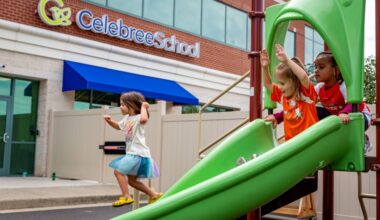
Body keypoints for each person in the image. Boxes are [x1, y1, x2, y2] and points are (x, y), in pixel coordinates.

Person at [267, 51, 372, 152]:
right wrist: (278, 117)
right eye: (315, 67)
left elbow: (356, 103)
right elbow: (302, 106)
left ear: (336, 69)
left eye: (321, 67)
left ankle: (363, 139)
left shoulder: (342, 86)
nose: (316, 70)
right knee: (314, 110)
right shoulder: (319, 88)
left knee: (350, 119)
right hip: (338, 116)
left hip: (360, 115)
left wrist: (344, 112)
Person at [103, 92, 163, 207]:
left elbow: (144, 119)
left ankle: (126, 196)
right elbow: (118, 126)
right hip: (133, 154)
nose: (120, 107)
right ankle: (154, 194)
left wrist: (144, 107)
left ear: (131, 105)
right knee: (132, 181)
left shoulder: (138, 117)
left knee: (118, 171)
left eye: (123, 105)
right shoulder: (127, 118)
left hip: (137, 153)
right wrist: (109, 121)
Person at [260, 44, 319, 141]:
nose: (279, 86)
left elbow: (303, 77)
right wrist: (265, 67)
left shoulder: (306, 93)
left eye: (282, 83)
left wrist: (287, 60)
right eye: (278, 83)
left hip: (310, 140)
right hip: (292, 143)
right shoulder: (283, 96)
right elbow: (268, 84)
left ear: (293, 81)